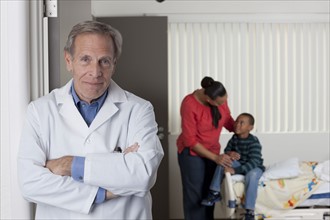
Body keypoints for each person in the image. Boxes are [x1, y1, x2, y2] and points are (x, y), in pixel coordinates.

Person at [17, 20, 164, 220]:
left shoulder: (139, 109)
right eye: (85, 59)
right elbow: (30, 183)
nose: (95, 72)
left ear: (114, 64)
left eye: (104, 61)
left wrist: (70, 165)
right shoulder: (40, 111)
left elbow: (142, 175)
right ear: (69, 60)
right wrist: (104, 190)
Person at [177, 76, 235, 220]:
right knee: (195, 196)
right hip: (192, 154)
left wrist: (242, 127)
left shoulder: (219, 99)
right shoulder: (189, 103)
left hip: (214, 152)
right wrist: (216, 158)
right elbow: (190, 140)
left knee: (209, 194)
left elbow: (227, 120)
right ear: (209, 100)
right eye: (220, 103)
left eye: (225, 100)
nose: (223, 104)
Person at [201, 113, 265, 220]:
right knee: (224, 159)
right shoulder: (234, 138)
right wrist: (230, 153)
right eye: (236, 121)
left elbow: (254, 161)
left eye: (242, 123)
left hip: (253, 166)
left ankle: (249, 210)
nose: (237, 124)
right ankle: (214, 192)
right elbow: (226, 151)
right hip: (240, 164)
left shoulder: (253, 141)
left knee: (252, 175)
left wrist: (235, 170)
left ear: (250, 128)